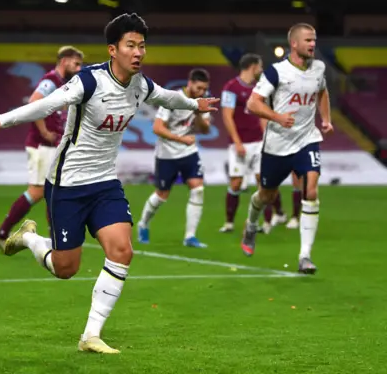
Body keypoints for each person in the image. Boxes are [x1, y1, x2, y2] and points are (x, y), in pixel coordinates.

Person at [0, 13, 219, 353]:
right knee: (65, 268)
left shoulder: (141, 85)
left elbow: (168, 98)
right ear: (113, 50)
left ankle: (90, 336)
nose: (138, 52)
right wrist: (1, 120)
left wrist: (194, 104)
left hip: (104, 183)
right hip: (67, 184)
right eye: (131, 45)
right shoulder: (89, 81)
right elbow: (46, 104)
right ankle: (28, 238)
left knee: (122, 250)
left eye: (142, 45)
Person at [240, 23, 333, 274]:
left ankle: (305, 256)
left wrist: (325, 119)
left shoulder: (319, 68)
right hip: (278, 144)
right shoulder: (275, 72)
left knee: (311, 190)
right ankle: (250, 225)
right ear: (294, 44)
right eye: (308, 40)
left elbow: (322, 92)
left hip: (307, 139)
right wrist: (277, 117)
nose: (313, 44)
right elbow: (253, 103)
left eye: (314, 40)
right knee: (265, 196)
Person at [0, 46, 84, 252]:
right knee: (39, 191)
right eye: (76, 64)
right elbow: (34, 102)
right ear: (64, 61)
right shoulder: (50, 81)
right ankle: (3, 232)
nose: (78, 69)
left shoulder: (62, 83)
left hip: (50, 145)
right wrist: (43, 130)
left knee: (51, 190)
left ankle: (51, 239)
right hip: (42, 145)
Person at [136, 68, 212, 247]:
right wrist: (181, 138)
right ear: (190, 83)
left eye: (204, 89)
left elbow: (206, 129)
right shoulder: (173, 99)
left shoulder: (202, 101)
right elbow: (158, 128)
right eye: (199, 88)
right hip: (167, 154)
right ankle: (143, 224)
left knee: (198, 189)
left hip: (189, 152)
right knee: (162, 195)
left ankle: (190, 237)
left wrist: (199, 113)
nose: (202, 92)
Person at [219, 53, 287, 234]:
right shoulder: (231, 88)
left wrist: (268, 139)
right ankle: (229, 223)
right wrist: (237, 142)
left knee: (262, 182)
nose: (262, 69)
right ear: (252, 66)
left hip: (258, 143)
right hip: (239, 143)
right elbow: (227, 116)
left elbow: (262, 116)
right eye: (260, 66)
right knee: (235, 183)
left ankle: (264, 223)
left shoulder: (259, 89)